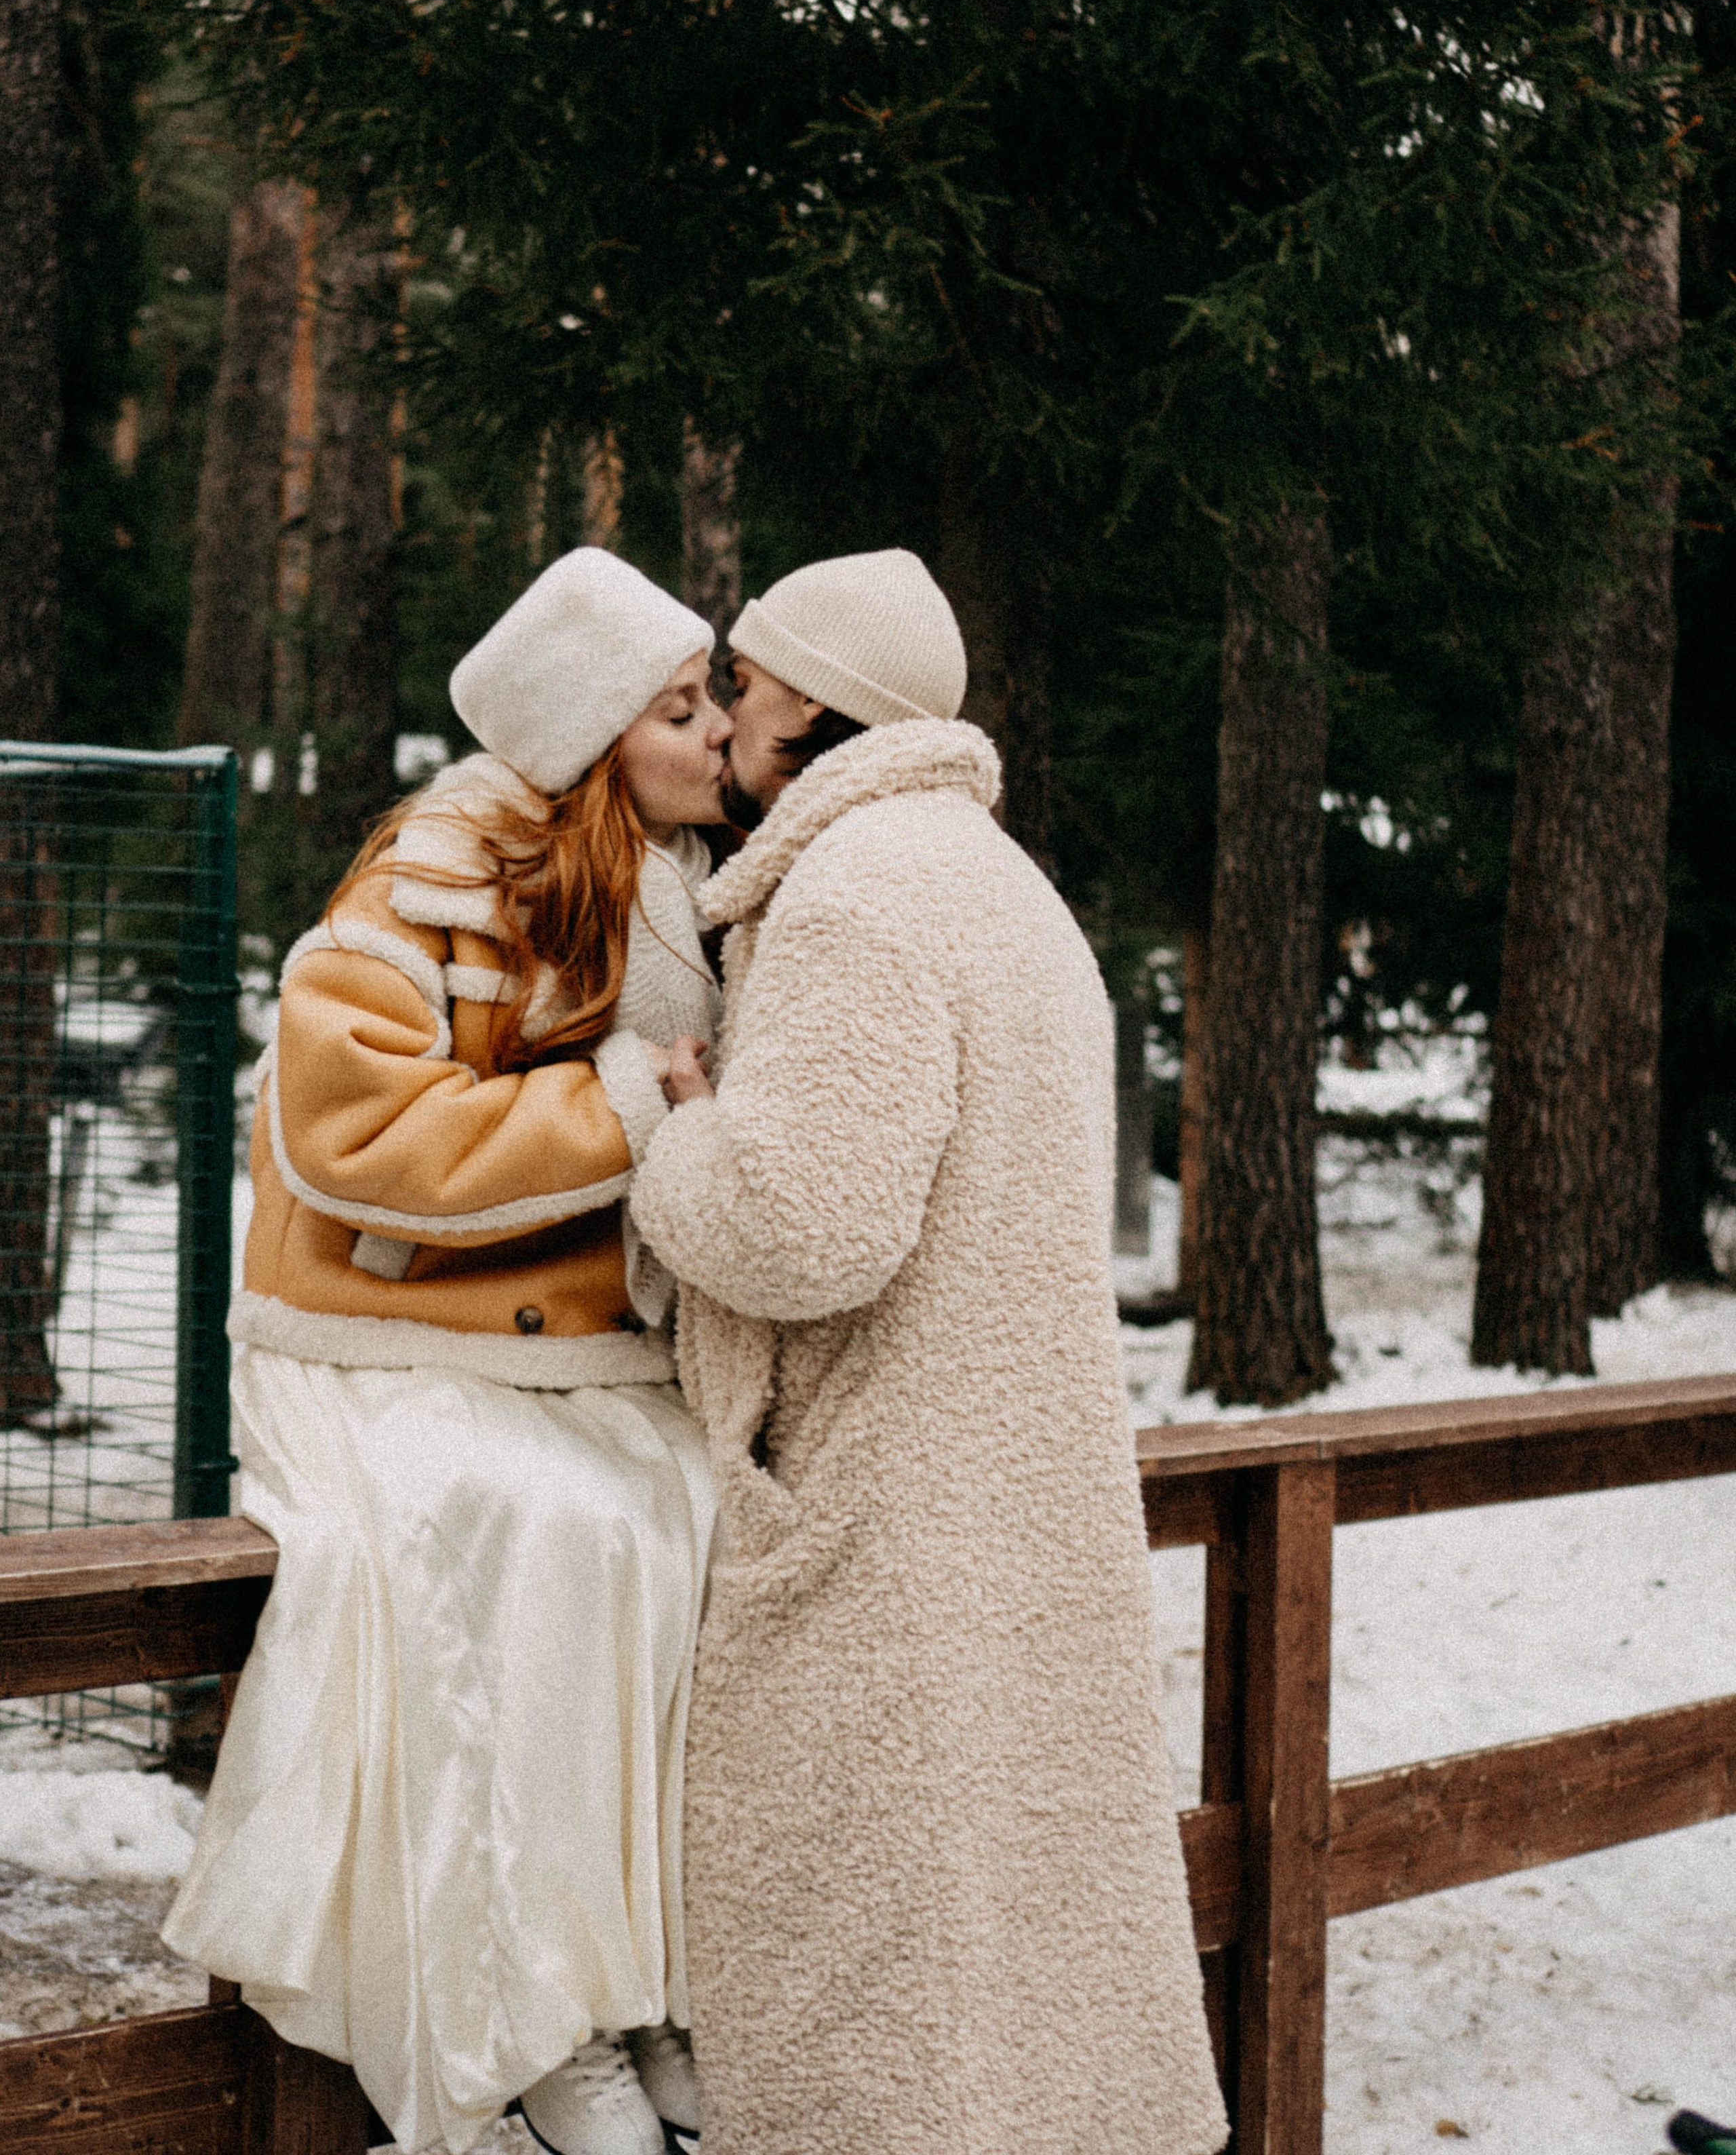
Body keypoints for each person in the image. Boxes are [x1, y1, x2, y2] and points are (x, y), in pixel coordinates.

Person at [631, 548, 1227, 2155]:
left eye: (744, 679)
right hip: (1007, 1490)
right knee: (1004, 1960)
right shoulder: (998, 884)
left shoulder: (851, 894)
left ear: (814, 700)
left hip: (885, 1506)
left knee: (876, 1975)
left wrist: (683, 1130)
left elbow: (803, 1228)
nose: (725, 711)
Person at [165, 549, 733, 2155]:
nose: (715, 732)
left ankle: (648, 1976)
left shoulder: (684, 888)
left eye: (709, 702)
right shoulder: (422, 886)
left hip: (567, 1356)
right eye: (676, 709)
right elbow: (356, 1132)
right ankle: (539, 2018)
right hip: (376, 1338)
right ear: (590, 738)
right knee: (535, 1539)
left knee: (695, 1527)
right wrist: (620, 1103)